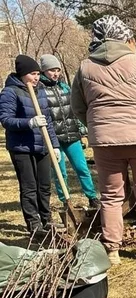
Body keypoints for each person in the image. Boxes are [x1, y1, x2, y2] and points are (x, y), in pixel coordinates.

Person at [71, 15, 136, 264]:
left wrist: (98, 126)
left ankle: (112, 251)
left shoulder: (85, 68)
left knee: (111, 197)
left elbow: (78, 107)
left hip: (106, 142)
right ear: (124, 36)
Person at [0, 55, 60, 236]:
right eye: (32, 74)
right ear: (22, 74)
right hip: (21, 147)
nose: (36, 78)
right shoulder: (10, 92)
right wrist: (29, 122)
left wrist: (54, 145)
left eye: (38, 74)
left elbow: (48, 121)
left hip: (42, 145)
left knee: (44, 185)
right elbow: (6, 120)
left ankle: (47, 220)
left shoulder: (40, 90)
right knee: (29, 187)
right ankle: (34, 224)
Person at [39, 54, 100, 210]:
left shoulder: (65, 87)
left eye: (58, 70)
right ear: (43, 71)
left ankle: (92, 197)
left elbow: (75, 111)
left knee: (82, 168)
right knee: (60, 172)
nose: (55, 74)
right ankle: (66, 200)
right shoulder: (39, 90)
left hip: (72, 135)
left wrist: (83, 133)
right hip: (54, 139)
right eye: (52, 70)